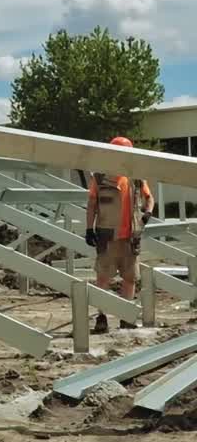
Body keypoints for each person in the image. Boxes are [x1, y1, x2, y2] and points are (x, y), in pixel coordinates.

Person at [85, 136, 154, 334]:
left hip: (130, 237)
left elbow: (149, 198)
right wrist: (90, 229)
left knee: (130, 277)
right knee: (103, 277)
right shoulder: (99, 177)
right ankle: (102, 317)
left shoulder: (136, 176)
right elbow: (91, 204)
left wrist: (147, 214)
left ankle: (126, 317)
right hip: (107, 237)